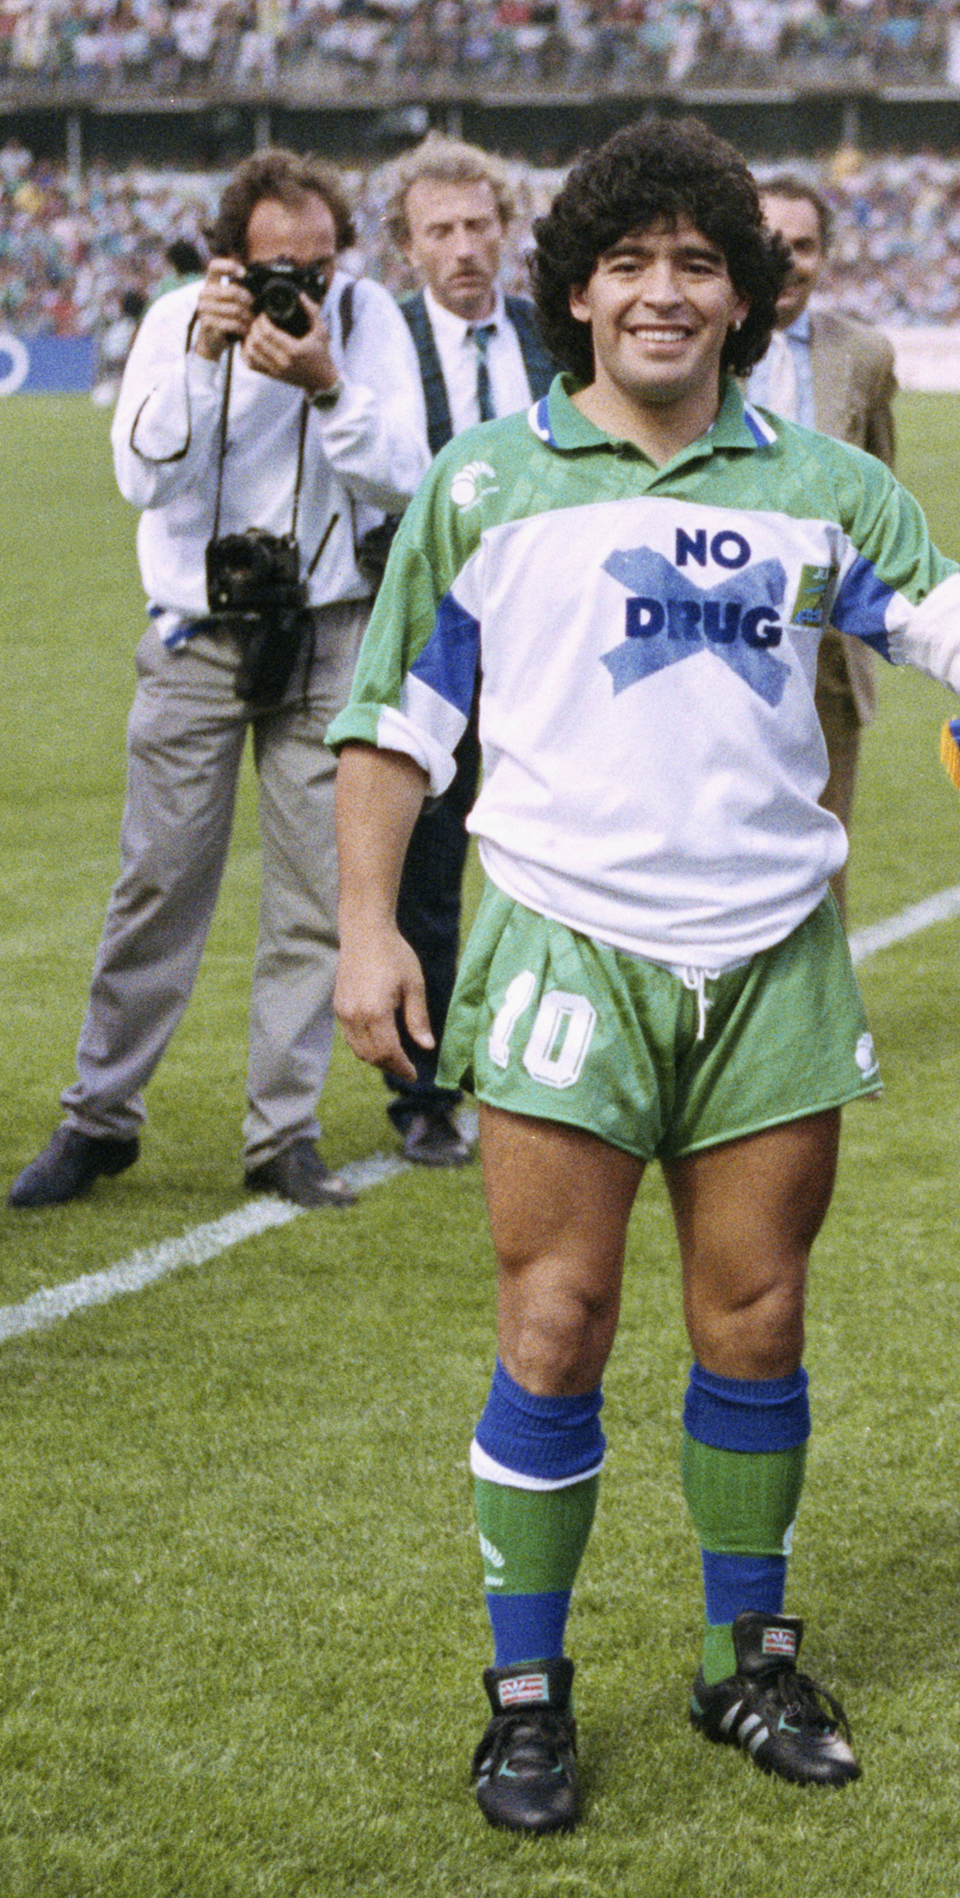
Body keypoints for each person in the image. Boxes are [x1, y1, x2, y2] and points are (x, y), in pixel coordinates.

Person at [326, 116, 960, 1836]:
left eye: (698, 264)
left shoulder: (823, 481)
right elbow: (388, 728)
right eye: (631, 263)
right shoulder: (486, 487)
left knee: (755, 1315)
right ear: (577, 290)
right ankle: (527, 1690)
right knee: (557, 1318)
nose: (664, 293)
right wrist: (370, 929)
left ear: (745, 296)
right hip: (562, 946)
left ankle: (748, 1649)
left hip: (770, 956)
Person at [6, 149, 428, 1212]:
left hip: (331, 631)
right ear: (229, 263)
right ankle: (99, 1116)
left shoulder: (370, 324)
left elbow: (406, 479)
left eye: (321, 266)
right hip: (199, 635)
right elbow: (145, 476)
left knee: (315, 898)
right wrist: (205, 357)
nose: (302, 290)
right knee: (159, 881)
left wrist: (326, 382)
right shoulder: (172, 323)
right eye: (278, 269)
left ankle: (282, 1132)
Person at [376, 134, 560, 1169]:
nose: (463, 248)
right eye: (439, 231)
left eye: (478, 225)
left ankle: (539, 1064)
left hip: (547, 640)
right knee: (428, 873)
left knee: (549, 857)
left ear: (506, 229)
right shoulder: (384, 343)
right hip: (435, 640)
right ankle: (424, 1092)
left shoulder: (552, 336)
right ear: (407, 248)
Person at [749, 176, 900, 911]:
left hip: (829, 651)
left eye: (803, 246)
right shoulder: (700, 345)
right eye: (770, 244)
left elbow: (880, 491)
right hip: (723, 634)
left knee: (824, 852)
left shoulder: (865, 354)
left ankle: (824, 1018)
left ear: (824, 257)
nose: (786, 261)